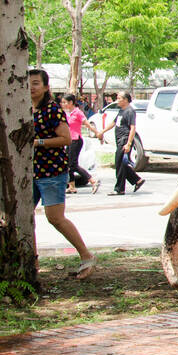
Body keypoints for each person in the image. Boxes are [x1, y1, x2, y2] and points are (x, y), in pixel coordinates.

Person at [28, 69, 95, 279]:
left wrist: (38, 142)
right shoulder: (25, 109)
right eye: (28, 83)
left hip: (51, 171)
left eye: (36, 83)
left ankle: (86, 255)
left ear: (46, 87)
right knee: (23, 217)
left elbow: (66, 139)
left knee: (55, 217)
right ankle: (31, 261)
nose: (31, 87)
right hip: (30, 172)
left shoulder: (52, 110)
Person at [98, 91, 144, 195]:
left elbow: (133, 128)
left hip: (125, 140)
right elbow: (114, 123)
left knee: (120, 164)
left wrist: (129, 143)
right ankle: (137, 180)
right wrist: (102, 131)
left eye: (119, 98)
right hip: (119, 140)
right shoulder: (121, 110)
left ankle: (119, 189)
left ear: (126, 100)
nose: (117, 100)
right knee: (121, 164)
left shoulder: (130, 111)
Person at [60, 94, 96, 194]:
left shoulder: (77, 112)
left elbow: (87, 124)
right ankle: (72, 186)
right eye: (62, 102)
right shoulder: (68, 113)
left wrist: (97, 133)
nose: (63, 104)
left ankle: (92, 180)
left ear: (71, 103)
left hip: (76, 140)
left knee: (73, 165)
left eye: (65, 102)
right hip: (69, 141)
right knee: (67, 164)